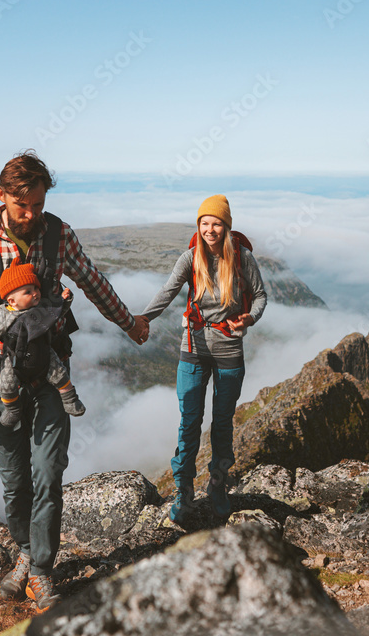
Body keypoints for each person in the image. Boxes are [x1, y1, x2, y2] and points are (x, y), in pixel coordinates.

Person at [0, 150, 149, 611]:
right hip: (1, 383)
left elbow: (92, 281)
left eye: (38, 203)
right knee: (15, 480)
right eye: (23, 206)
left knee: (49, 472)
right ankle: (22, 551)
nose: (32, 214)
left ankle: (40, 569)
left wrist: (129, 323)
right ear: (2, 196)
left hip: (52, 375)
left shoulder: (59, 235)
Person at [141, 194, 267, 525]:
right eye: (204, 223)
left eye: (216, 223)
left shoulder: (242, 257)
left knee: (223, 423)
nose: (210, 229)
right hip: (193, 346)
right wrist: (141, 319)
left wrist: (249, 319)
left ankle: (217, 485)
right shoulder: (190, 257)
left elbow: (261, 295)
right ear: (199, 226)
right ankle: (184, 491)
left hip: (228, 346)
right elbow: (167, 292)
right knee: (189, 422)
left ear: (227, 227)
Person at [0, 257, 85, 428]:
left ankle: (70, 400)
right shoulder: (4, 315)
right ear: (12, 301)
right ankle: (12, 409)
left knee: (59, 373)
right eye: (28, 292)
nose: (35, 293)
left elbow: (57, 315)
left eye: (36, 288)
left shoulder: (41, 307)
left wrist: (64, 300)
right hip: (14, 357)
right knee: (6, 383)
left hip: (43, 350)